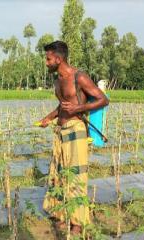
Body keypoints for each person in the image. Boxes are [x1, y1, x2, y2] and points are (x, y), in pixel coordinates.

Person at [38, 41, 109, 234]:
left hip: (76, 131)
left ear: (58, 59)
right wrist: (49, 117)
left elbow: (103, 99)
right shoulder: (58, 80)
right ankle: (62, 214)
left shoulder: (79, 77)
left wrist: (79, 108)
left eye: (48, 59)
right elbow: (63, 105)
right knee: (60, 173)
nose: (46, 62)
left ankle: (77, 223)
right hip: (60, 131)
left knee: (76, 175)